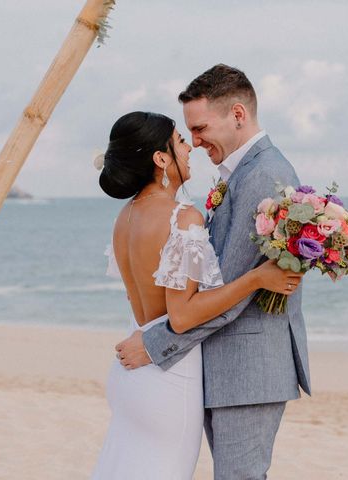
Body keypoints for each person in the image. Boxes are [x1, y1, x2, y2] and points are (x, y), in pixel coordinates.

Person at [116, 65, 312, 479]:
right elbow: (224, 283)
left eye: (200, 128)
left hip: (248, 369)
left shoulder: (263, 176)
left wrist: (155, 342)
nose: (197, 141)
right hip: (223, 369)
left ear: (237, 115)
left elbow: (231, 296)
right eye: (188, 134)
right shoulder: (238, 176)